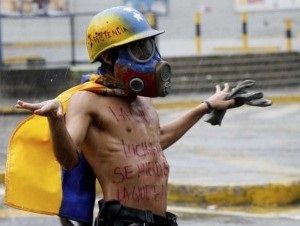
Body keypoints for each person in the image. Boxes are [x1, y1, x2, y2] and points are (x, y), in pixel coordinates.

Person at [15, 6, 239, 226]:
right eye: (139, 50)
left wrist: (206, 106)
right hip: (123, 220)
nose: (151, 57)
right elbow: (68, 159)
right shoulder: (87, 100)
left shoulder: (142, 99)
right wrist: (55, 120)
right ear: (109, 57)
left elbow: (156, 139)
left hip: (160, 221)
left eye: (149, 46)